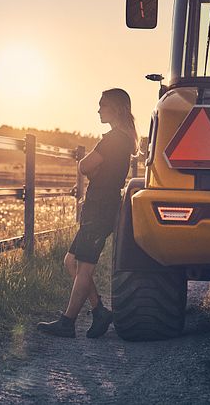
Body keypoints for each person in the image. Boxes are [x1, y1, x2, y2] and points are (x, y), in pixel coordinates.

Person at [37, 88, 137, 338]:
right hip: (99, 205)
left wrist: (91, 170)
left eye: (102, 105)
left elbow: (84, 165)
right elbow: (98, 169)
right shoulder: (121, 139)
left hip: (101, 207)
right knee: (71, 261)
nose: (98, 109)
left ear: (115, 108)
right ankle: (99, 311)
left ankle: (67, 322)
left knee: (83, 267)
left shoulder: (114, 139)